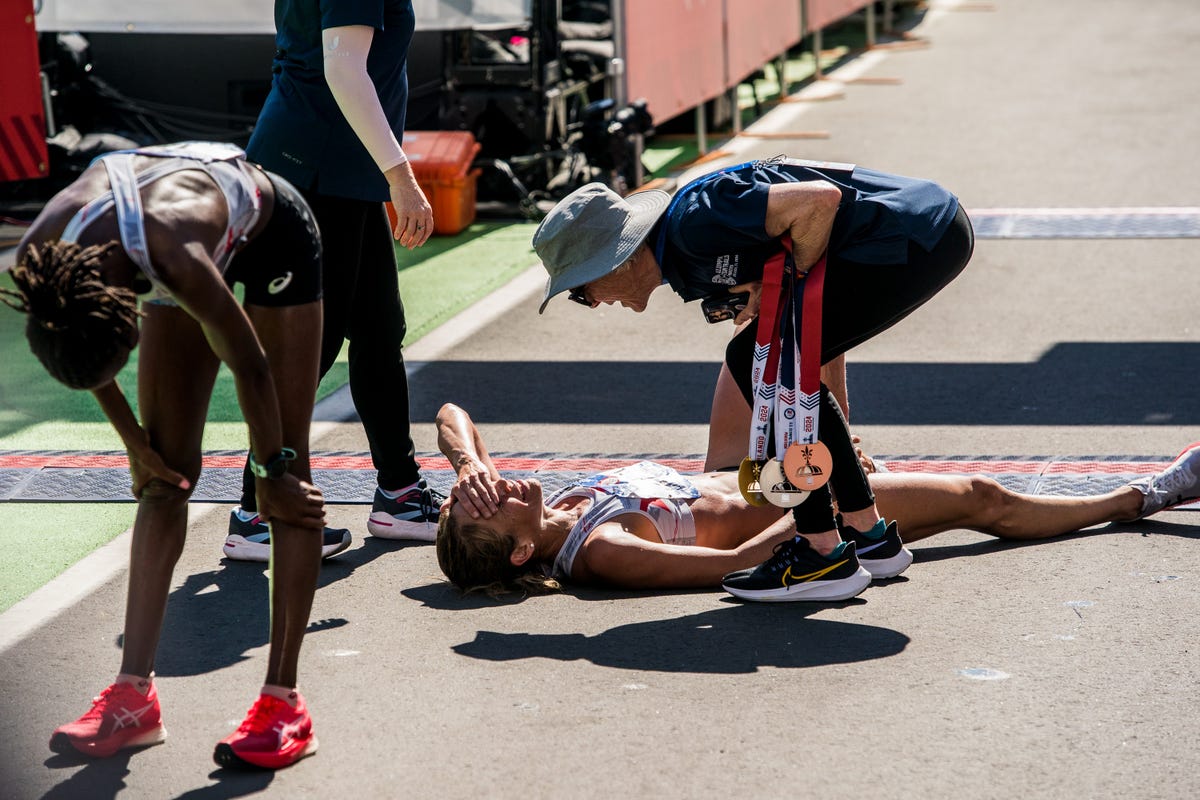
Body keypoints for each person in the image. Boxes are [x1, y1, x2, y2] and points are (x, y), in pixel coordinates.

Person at [0, 141, 327, 768]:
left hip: (272, 231)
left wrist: (270, 471)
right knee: (163, 476)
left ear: (123, 311)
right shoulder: (45, 269)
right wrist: (135, 446)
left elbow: (251, 365)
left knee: (291, 478)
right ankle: (133, 700)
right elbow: (82, 349)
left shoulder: (170, 251)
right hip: (166, 241)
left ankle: (285, 704)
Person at [533, 157, 974, 601]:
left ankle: (822, 552)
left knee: (759, 360)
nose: (590, 302)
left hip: (917, 233)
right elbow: (812, 341)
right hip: (920, 231)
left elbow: (820, 202)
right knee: (760, 358)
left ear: (614, 262)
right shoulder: (683, 249)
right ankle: (868, 535)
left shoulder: (693, 226)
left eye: (580, 291)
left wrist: (791, 286)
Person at [433, 403, 1200, 596]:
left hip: (754, 479)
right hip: (793, 505)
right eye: (483, 502)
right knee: (980, 497)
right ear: (520, 549)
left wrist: (467, 463)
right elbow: (731, 560)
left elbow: (452, 416)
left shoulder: (556, 503)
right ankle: (1142, 495)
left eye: (479, 486)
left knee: (774, 336)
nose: (490, 486)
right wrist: (824, 490)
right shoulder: (599, 550)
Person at [227, 0, 443, 562]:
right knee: (308, 348)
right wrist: (402, 177)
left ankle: (398, 491)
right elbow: (342, 68)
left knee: (377, 329)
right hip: (318, 172)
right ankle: (258, 512)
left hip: (336, 170)